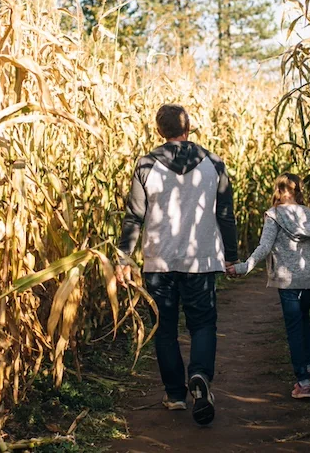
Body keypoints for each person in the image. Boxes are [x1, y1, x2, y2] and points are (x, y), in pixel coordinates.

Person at [117, 104, 238, 426]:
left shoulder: (146, 165)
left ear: (159, 130)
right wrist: (231, 255)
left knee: (165, 330)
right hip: (201, 260)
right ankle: (199, 376)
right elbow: (225, 213)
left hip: (159, 261)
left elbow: (134, 216)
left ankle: (174, 394)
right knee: (202, 324)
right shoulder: (214, 163)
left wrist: (123, 257)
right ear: (189, 128)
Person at [228, 173, 310, 399]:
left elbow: (264, 247)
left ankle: (302, 383)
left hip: (287, 279)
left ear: (279, 191)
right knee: (303, 320)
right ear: (298, 190)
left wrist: (244, 267)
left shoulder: (274, 216)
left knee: (294, 327)